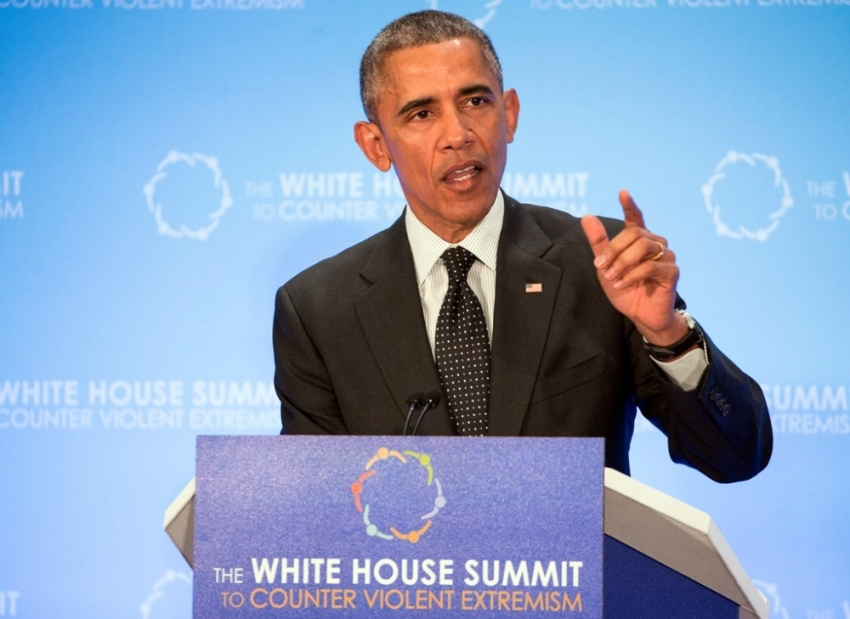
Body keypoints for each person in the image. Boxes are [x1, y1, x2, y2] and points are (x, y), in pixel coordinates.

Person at [272, 10, 772, 482]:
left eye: (475, 102)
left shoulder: (602, 263)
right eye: (422, 113)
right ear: (376, 145)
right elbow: (320, 516)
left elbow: (736, 456)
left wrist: (666, 334)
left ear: (508, 114)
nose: (459, 134)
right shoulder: (318, 309)